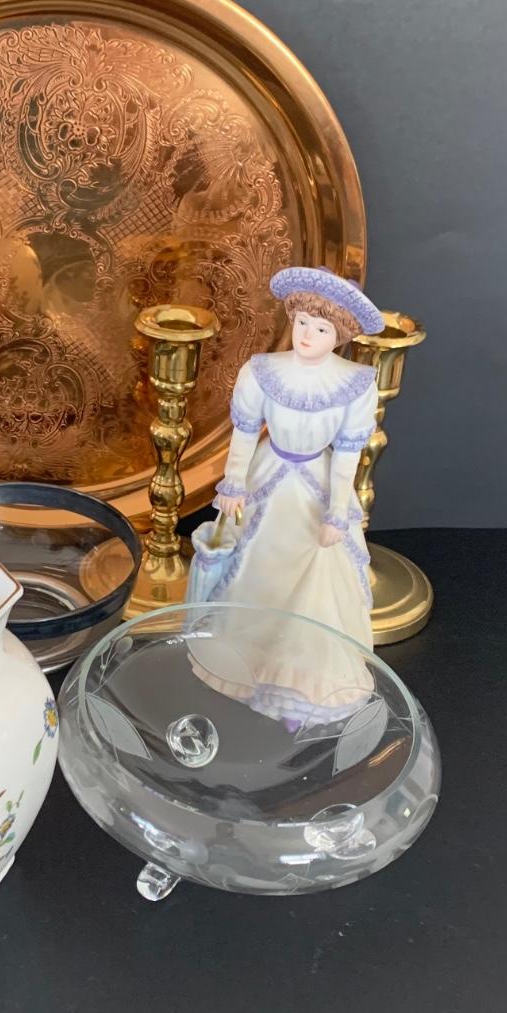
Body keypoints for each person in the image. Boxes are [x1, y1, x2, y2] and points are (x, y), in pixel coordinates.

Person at [190, 266, 385, 727]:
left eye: (321, 329)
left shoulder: (355, 382)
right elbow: (243, 433)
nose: (307, 335)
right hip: (268, 474)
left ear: (338, 336)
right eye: (301, 322)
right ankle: (246, 668)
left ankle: (300, 684)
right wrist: (234, 483)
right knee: (255, 566)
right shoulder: (262, 371)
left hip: (316, 482)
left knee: (317, 572)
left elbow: (347, 456)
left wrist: (337, 511)